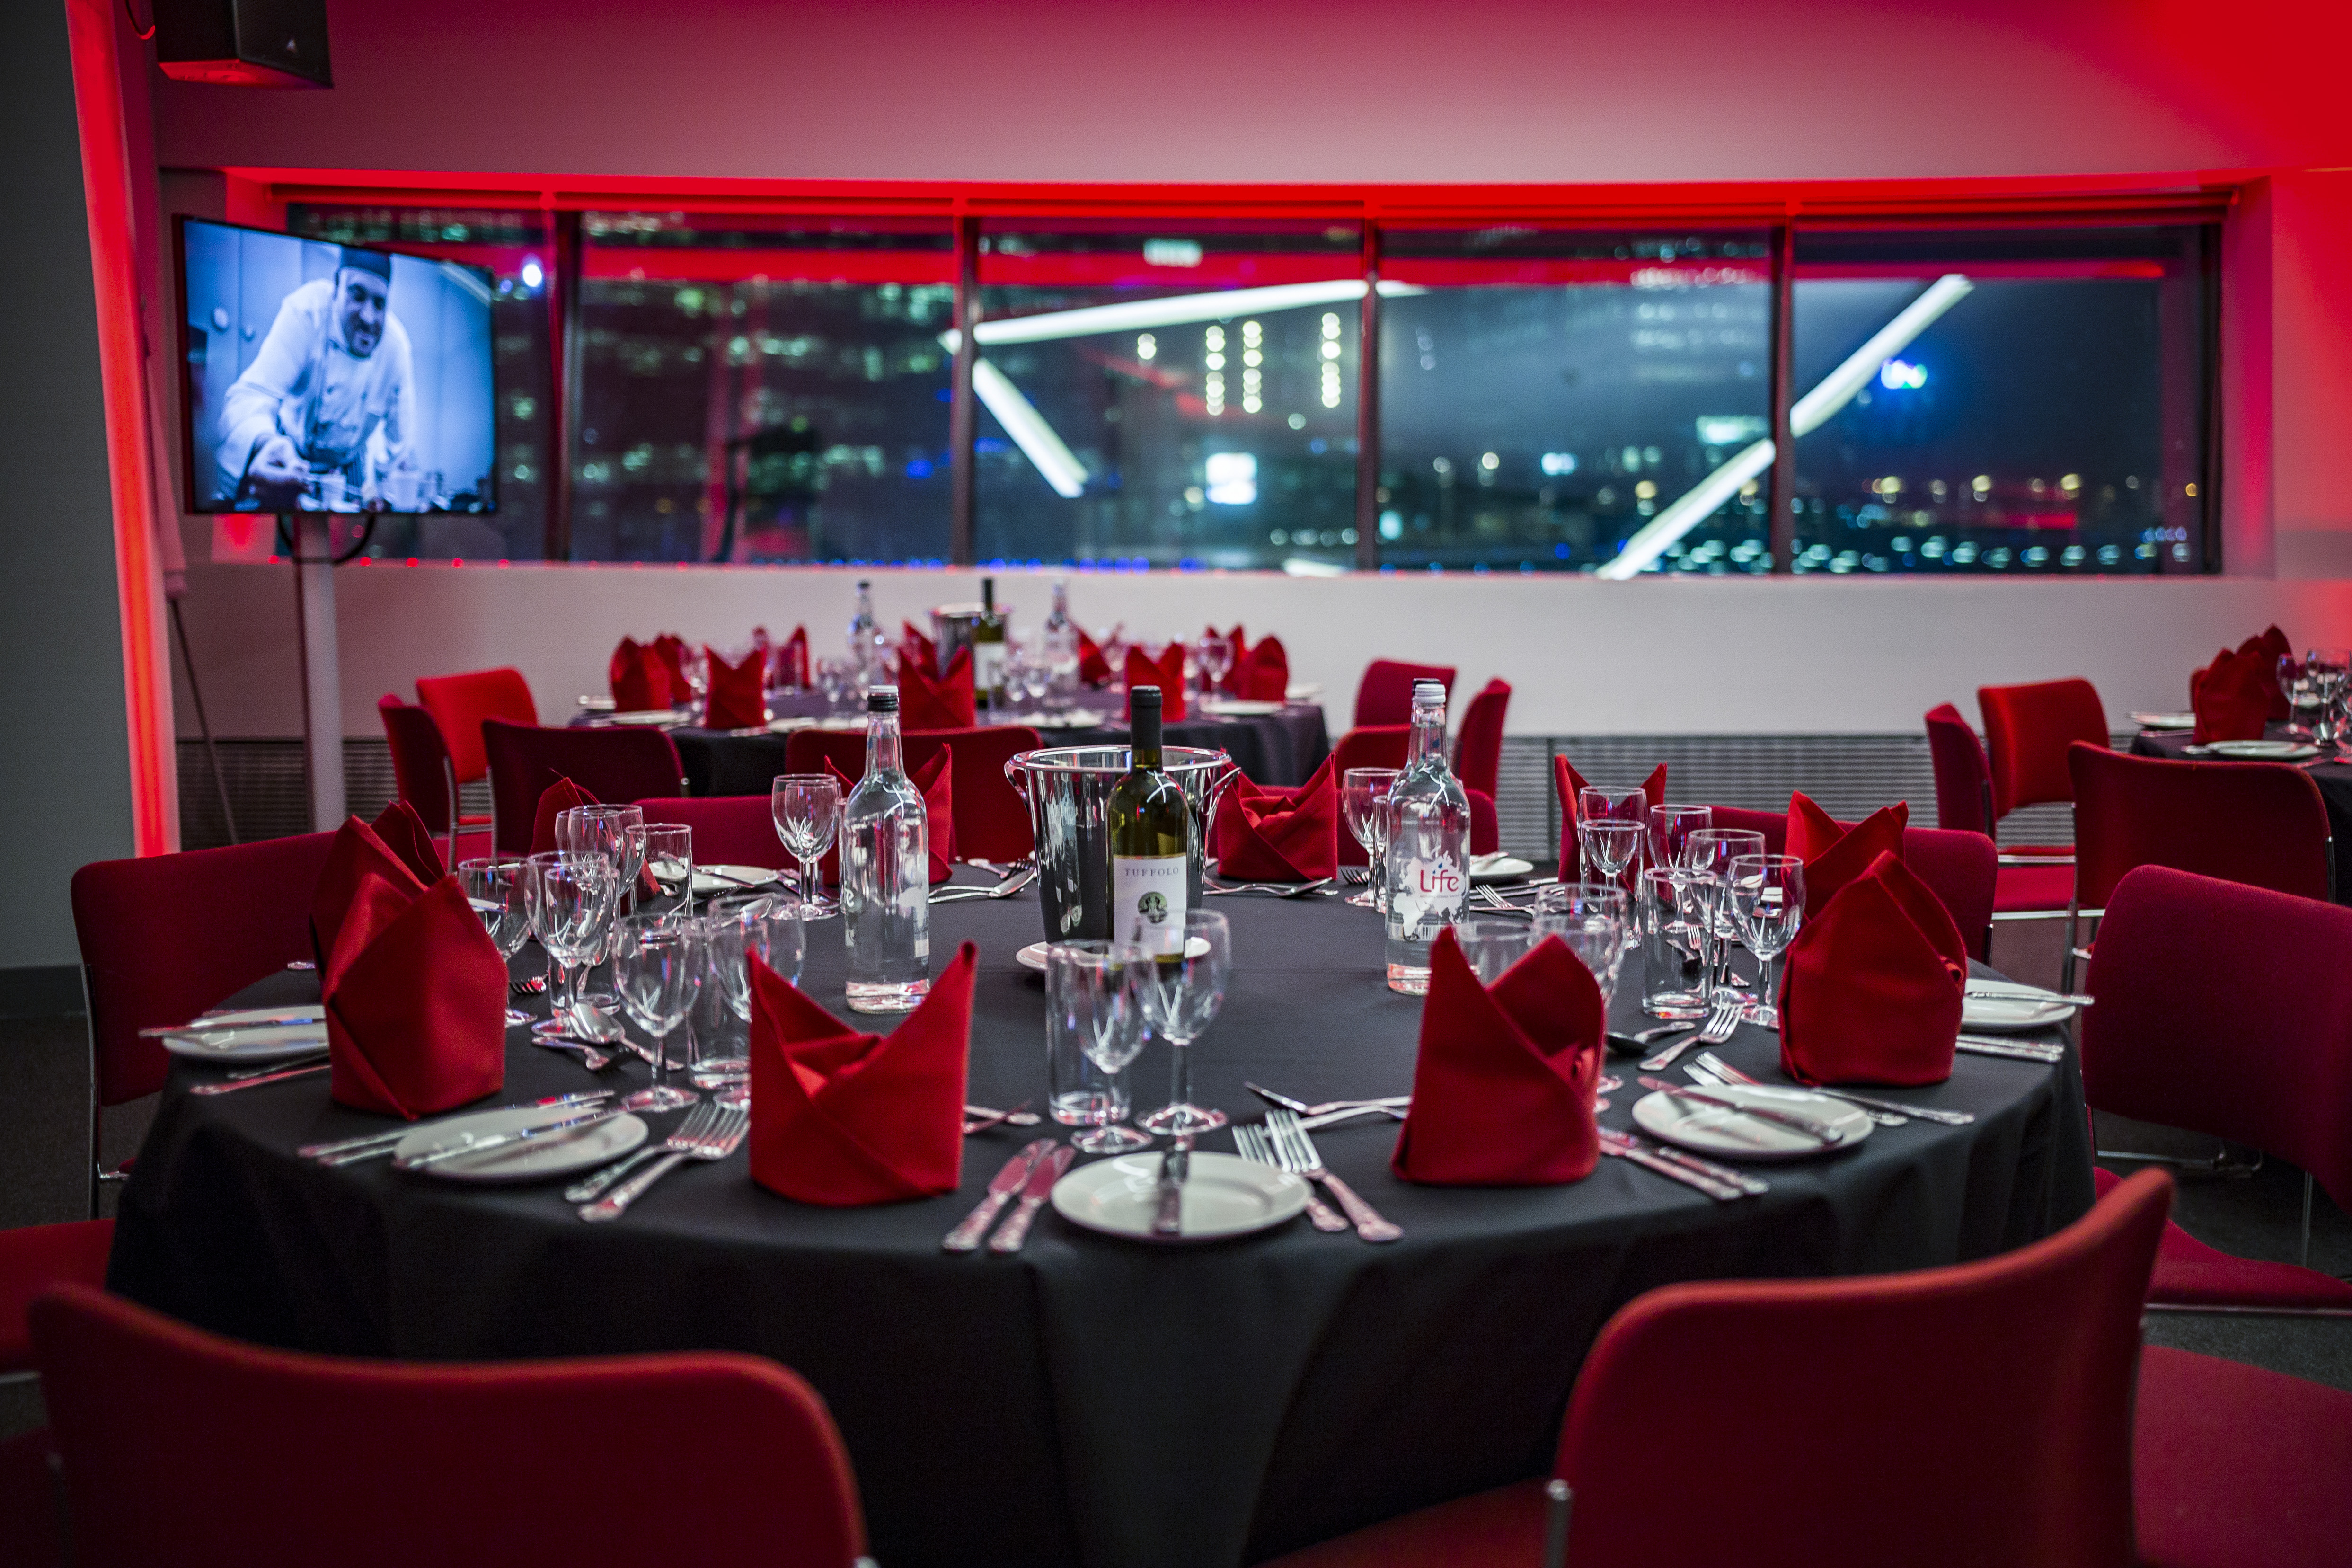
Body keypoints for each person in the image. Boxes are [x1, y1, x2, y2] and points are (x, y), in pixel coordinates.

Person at [214, 245, 417, 510]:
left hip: (349, 466)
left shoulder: (396, 348)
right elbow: (251, 395)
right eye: (357, 296)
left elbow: (401, 443)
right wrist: (266, 443)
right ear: (336, 289)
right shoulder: (307, 312)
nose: (369, 317)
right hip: (289, 454)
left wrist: (380, 488)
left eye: (380, 304)